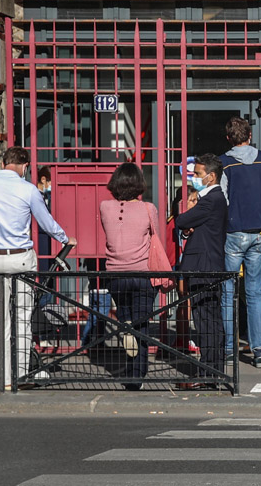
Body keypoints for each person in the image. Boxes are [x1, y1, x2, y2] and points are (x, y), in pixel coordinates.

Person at [0, 147, 75, 390]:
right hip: (21, 259)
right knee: (22, 318)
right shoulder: (29, 189)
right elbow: (47, 223)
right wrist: (66, 238)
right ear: (25, 167)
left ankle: (4, 378)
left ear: (3, 162)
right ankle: (21, 374)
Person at [219, 116, 261, 368]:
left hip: (234, 232)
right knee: (255, 293)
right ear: (249, 136)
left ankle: (228, 350)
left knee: (228, 294)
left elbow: (223, 199)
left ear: (229, 138)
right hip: (260, 232)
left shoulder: (224, 163)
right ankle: (259, 350)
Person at [98, 162, 165, 390]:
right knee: (141, 325)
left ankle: (130, 369)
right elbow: (154, 235)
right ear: (139, 183)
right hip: (142, 274)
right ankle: (137, 375)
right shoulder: (149, 208)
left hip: (116, 275)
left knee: (126, 324)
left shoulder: (105, 207)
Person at [174, 153, 229, 389]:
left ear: (211, 176)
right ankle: (213, 370)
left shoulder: (211, 199)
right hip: (208, 263)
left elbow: (182, 220)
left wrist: (187, 211)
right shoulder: (212, 199)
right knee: (209, 319)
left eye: (197, 174)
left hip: (203, 267)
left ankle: (209, 372)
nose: (194, 178)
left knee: (206, 320)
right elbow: (194, 226)